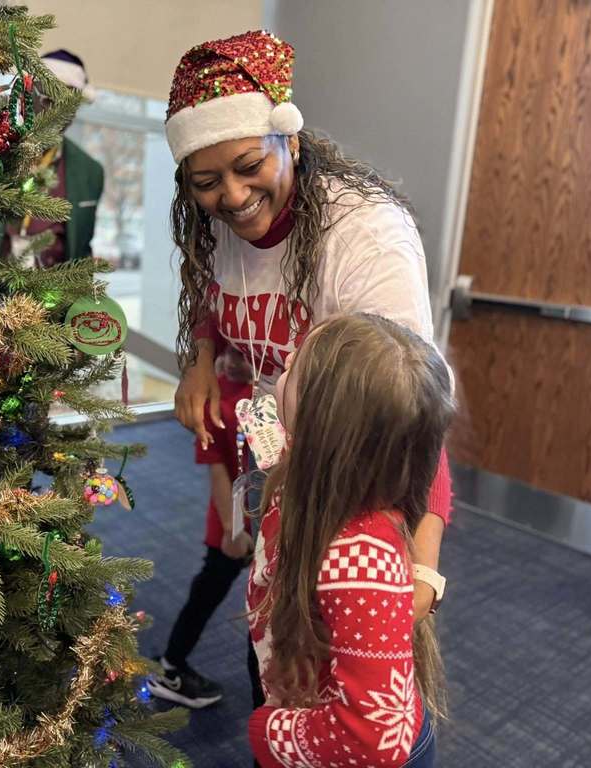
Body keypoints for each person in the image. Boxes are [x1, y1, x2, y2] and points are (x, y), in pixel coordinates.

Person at [163, 29, 452, 706]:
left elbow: (411, 414)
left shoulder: (366, 239)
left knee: (339, 699)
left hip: (357, 493)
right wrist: (202, 359)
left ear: (289, 140)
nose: (231, 198)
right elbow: (215, 287)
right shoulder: (214, 225)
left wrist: (426, 567)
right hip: (280, 476)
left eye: (247, 167)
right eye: (207, 183)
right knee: (272, 666)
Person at [247, 313, 452, 767]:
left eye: (297, 365)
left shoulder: (360, 557)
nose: (288, 359)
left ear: (326, 424)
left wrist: (269, 731)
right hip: (309, 702)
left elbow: (373, 740)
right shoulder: (310, 467)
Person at [149, 347, 254, 708]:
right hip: (233, 522)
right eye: (231, 353)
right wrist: (232, 529)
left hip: (272, 516)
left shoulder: (268, 394)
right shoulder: (215, 401)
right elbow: (219, 472)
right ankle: (172, 667)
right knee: (209, 589)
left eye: (245, 353)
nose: (237, 361)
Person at [0, 49, 104, 267]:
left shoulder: (90, 172)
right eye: (48, 100)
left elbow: (82, 249)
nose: (58, 113)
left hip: (54, 295)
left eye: (68, 106)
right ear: (26, 97)